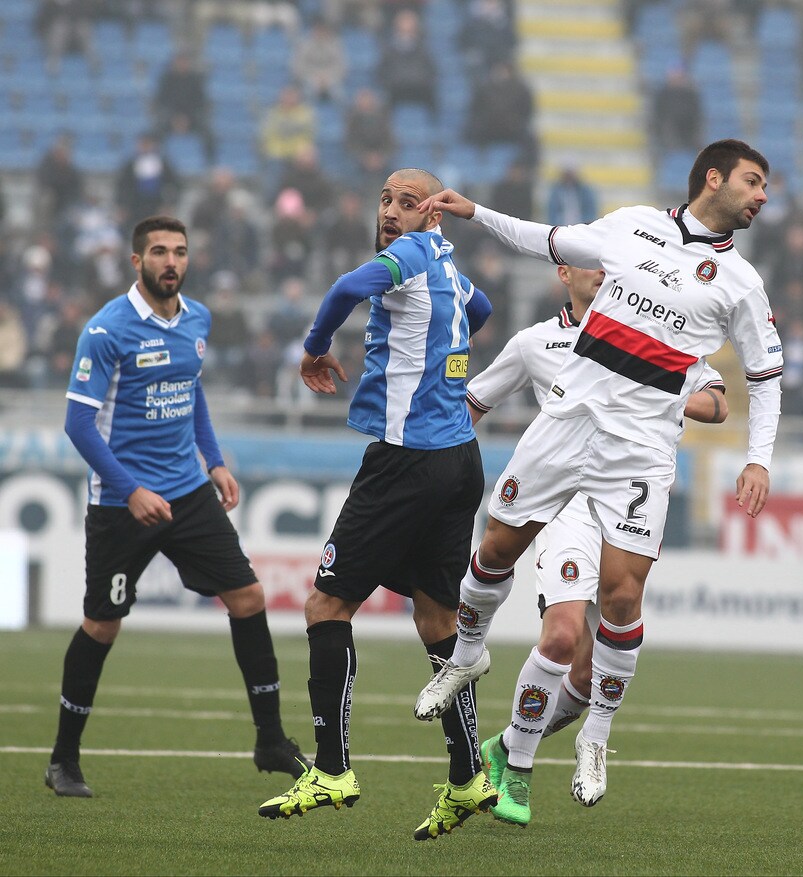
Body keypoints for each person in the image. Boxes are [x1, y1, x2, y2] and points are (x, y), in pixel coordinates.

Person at [412, 139, 783, 812]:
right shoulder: (630, 225)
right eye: (753, 181)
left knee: (621, 598)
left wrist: (758, 457)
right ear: (714, 178)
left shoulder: (741, 283)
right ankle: (465, 656)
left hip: (640, 451)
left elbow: (764, 377)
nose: (762, 196)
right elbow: (546, 239)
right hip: (567, 424)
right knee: (495, 549)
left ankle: (596, 734)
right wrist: (475, 212)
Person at [256, 168, 499, 842]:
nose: (391, 211)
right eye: (386, 200)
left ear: (434, 214)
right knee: (437, 617)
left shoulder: (410, 256)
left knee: (326, 604)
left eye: (408, 202)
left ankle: (332, 769)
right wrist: (444, 362)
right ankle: (468, 775)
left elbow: (344, 289)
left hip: (406, 460)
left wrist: (314, 348)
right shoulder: (449, 267)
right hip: (460, 459)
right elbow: (479, 311)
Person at [44, 215, 311, 798]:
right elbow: (78, 423)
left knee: (249, 597)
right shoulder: (106, 330)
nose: (172, 262)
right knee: (102, 624)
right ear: (136, 261)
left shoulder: (198, 319)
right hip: (122, 503)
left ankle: (270, 740)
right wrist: (130, 490)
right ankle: (63, 759)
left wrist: (214, 461)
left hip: (188, 492)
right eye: (160, 251)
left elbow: (191, 392)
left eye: (180, 252)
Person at [466, 263, 729, 826]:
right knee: (561, 635)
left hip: (624, 498)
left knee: (588, 676)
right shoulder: (535, 342)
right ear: (565, 273)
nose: (605, 273)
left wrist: (660, 394)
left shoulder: (656, 334)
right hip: (563, 502)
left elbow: (717, 403)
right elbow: (474, 401)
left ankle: (508, 744)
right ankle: (519, 774)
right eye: (592, 263)